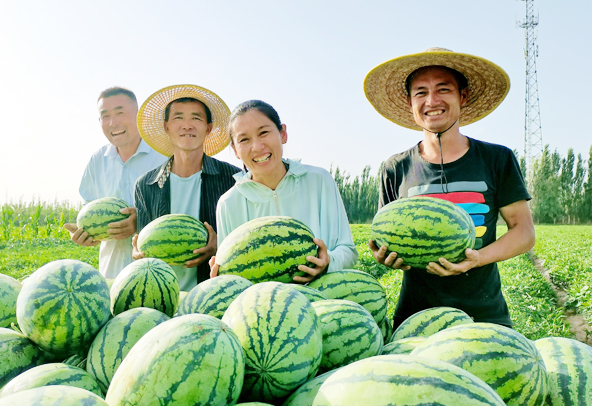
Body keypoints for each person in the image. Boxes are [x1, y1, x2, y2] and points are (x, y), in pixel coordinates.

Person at [363, 48, 535, 329]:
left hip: (485, 315)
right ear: (410, 102)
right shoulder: (396, 167)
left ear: (462, 96)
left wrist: (478, 258)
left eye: (443, 89)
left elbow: (524, 232)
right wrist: (387, 255)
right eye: (421, 92)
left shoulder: (496, 159)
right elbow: (385, 230)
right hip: (416, 318)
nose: (432, 101)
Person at [211, 100, 358, 282]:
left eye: (263, 133)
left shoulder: (319, 181)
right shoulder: (228, 203)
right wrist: (223, 279)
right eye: (244, 139)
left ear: (283, 134)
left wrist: (328, 262)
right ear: (235, 149)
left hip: (322, 304)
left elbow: (348, 251)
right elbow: (232, 275)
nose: (257, 147)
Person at [132, 84, 241, 291]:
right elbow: (143, 250)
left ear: (208, 128)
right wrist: (139, 254)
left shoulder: (233, 179)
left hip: (214, 294)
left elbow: (243, 242)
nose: (187, 125)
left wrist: (221, 246)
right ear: (166, 127)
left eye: (196, 118)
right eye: (178, 118)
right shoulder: (145, 185)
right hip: (163, 297)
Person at [64, 87, 167, 279]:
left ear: (139, 116)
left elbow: (181, 212)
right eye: (105, 116)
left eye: (120, 113)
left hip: (159, 275)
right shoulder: (97, 161)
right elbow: (89, 211)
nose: (113, 122)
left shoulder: (165, 157)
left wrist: (142, 221)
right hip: (112, 275)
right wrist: (85, 233)